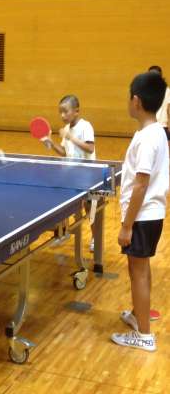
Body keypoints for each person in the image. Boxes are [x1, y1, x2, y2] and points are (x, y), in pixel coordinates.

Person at [111, 71, 169, 352]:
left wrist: (126, 226)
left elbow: (141, 184)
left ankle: (144, 335)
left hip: (142, 216)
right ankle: (138, 315)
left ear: (136, 101)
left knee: (139, 273)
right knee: (140, 269)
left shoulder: (147, 138)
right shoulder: (157, 132)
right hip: (150, 214)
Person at [43, 95, 96, 250]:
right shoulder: (66, 129)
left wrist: (71, 137)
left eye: (65, 111)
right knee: (63, 204)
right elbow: (65, 152)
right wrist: (51, 143)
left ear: (76, 111)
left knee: (90, 208)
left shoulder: (86, 126)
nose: (62, 115)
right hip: (71, 175)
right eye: (60, 112)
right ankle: (63, 233)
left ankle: (95, 237)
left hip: (88, 175)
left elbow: (90, 148)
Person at [148, 66, 170, 141]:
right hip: (149, 126)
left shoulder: (167, 91)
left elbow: (169, 109)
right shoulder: (145, 91)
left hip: (162, 126)